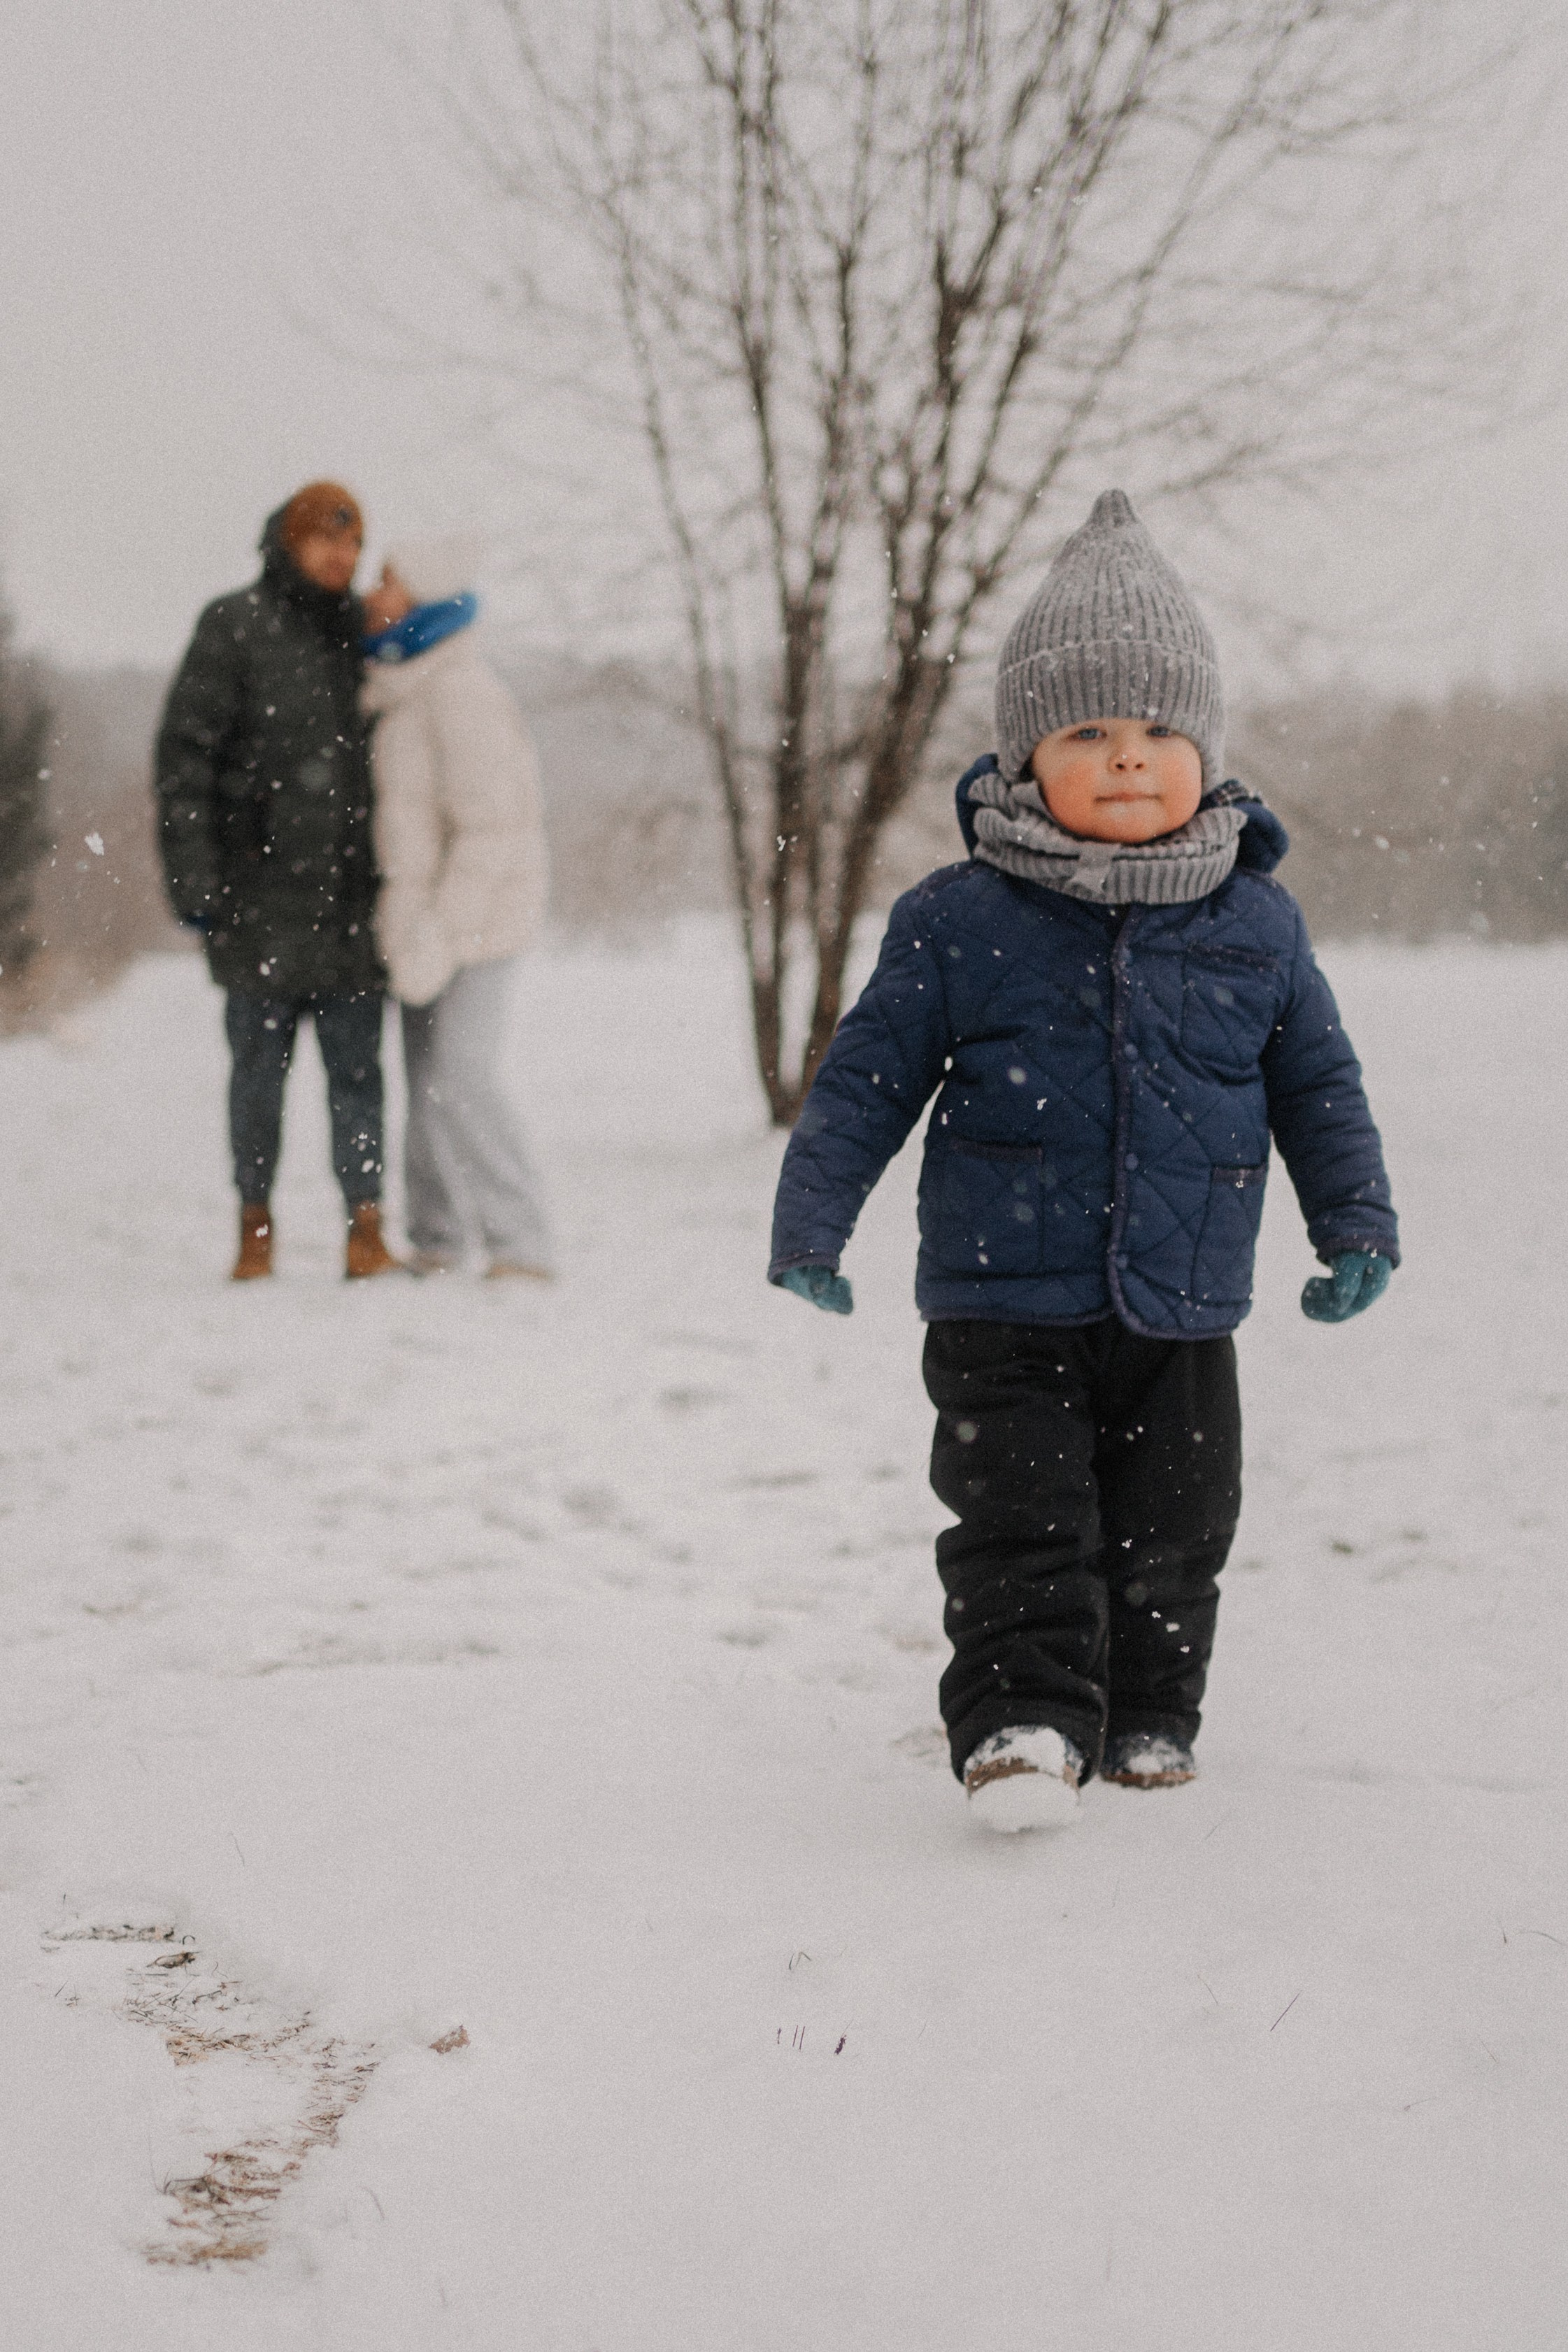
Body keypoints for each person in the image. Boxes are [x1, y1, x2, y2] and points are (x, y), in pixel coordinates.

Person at [767, 490, 1399, 1832]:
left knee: (1176, 1517)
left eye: (1161, 728)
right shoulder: (958, 919)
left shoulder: (1255, 925)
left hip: (1181, 1292)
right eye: (1089, 730)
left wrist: (1354, 1224)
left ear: (1206, 748)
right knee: (1018, 1513)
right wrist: (813, 1219)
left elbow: (1318, 1085)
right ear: (1024, 752)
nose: (1128, 757)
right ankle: (1022, 1718)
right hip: (1001, 1293)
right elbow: (868, 1072)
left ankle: (1151, 1714)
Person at [155, 481, 402, 1282]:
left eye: (354, 544)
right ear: (290, 543)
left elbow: (451, 620)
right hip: (256, 907)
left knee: (359, 1081)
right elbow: (183, 759)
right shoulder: (234, 626)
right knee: (259, 1082)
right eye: (328, 541)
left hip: (348, 909)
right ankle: (252, 1227)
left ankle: (366, 1230)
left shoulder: (358, 635)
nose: (343, 557)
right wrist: (197, 882)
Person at [360, 539, 553, 1279]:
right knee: (426, 1080)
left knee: (463, 1073)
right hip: (421, 926)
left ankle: (522, 1243)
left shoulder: (460, 690)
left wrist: (440, 935)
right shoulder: (403, 684)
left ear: (423, 598)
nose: (373, 594)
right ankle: (439, 1239)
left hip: (481, 922)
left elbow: (493, 831)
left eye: (389, 582)